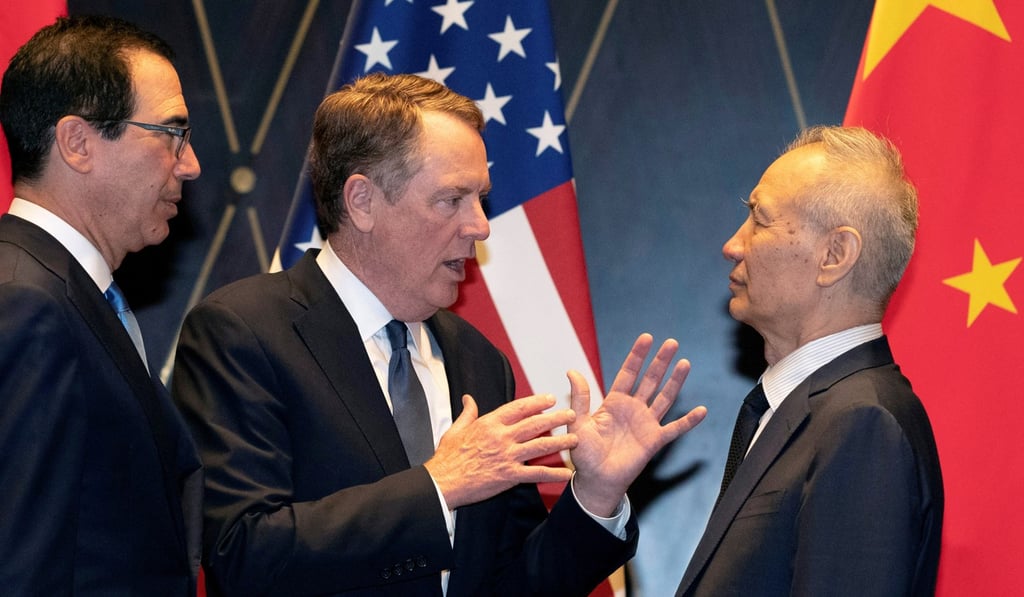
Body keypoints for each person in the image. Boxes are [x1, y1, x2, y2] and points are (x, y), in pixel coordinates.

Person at [171, 72, 707, 596]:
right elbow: (241, 554)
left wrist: (595, 496)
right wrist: (437, 488)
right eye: (452, 199)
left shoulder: (478, 360)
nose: (480, 225)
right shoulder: (244, 332)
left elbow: (513, 581)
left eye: (481, 199)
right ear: (362, 202)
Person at [675, 126, 943, 596]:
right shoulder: (814, 410)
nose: (733, 245)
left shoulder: (863, 425)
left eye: (760, 218)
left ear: (834, 255)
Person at [0, 15, 203, 595]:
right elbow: (21, 563)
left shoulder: (60, 292)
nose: (189, 164)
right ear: (78, 143)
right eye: (171, 133)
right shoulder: (25, 304)